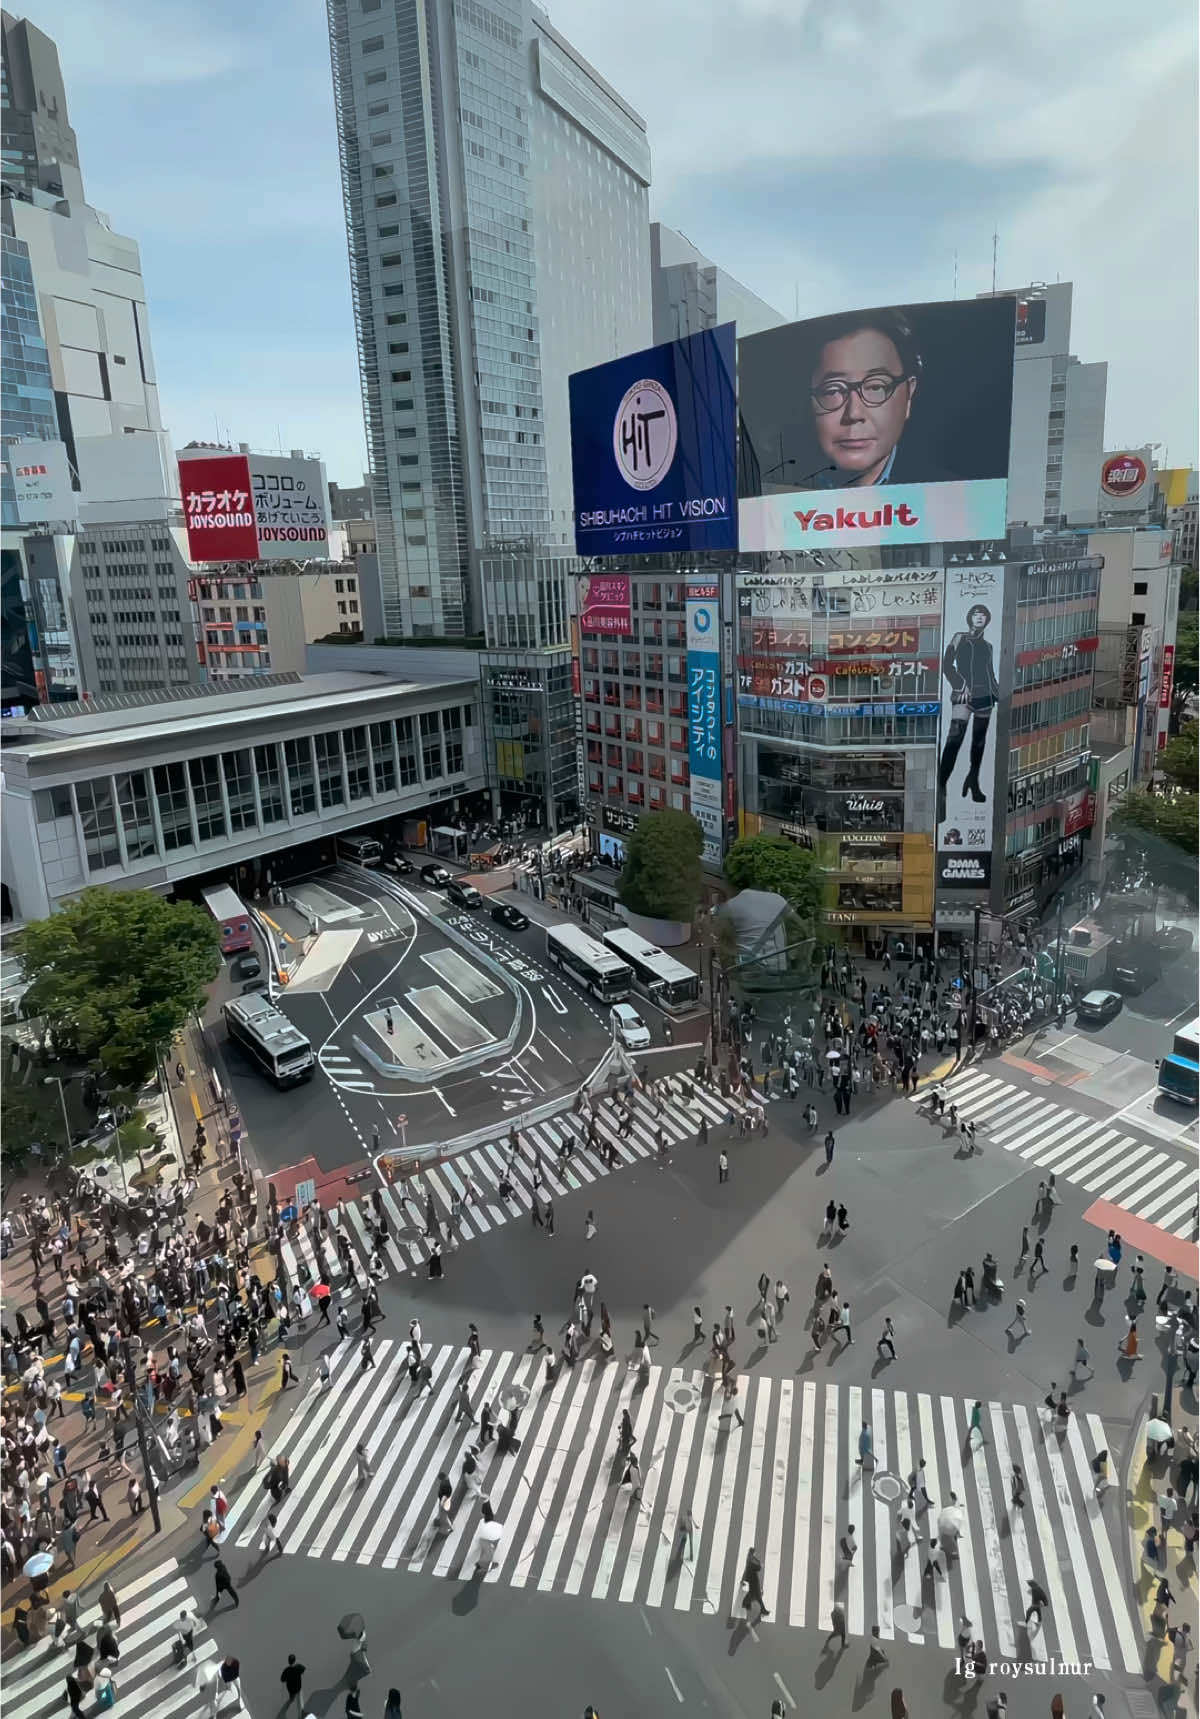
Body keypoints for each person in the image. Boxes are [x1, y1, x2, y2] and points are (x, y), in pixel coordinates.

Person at [937, 603, 1000, 824]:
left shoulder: (989, 646)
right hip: (964, 696)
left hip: (985, 697)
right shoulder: (959, 637)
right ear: (969, 617)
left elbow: (990, 673)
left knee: (979, 743)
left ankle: (973, 781)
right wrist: (959, 684)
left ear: (988, 619)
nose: (979, 617)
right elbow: (946, 665)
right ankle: (941, 786)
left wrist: (998, 694)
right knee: (954, 740)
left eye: (983, 614)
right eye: (975, 613)